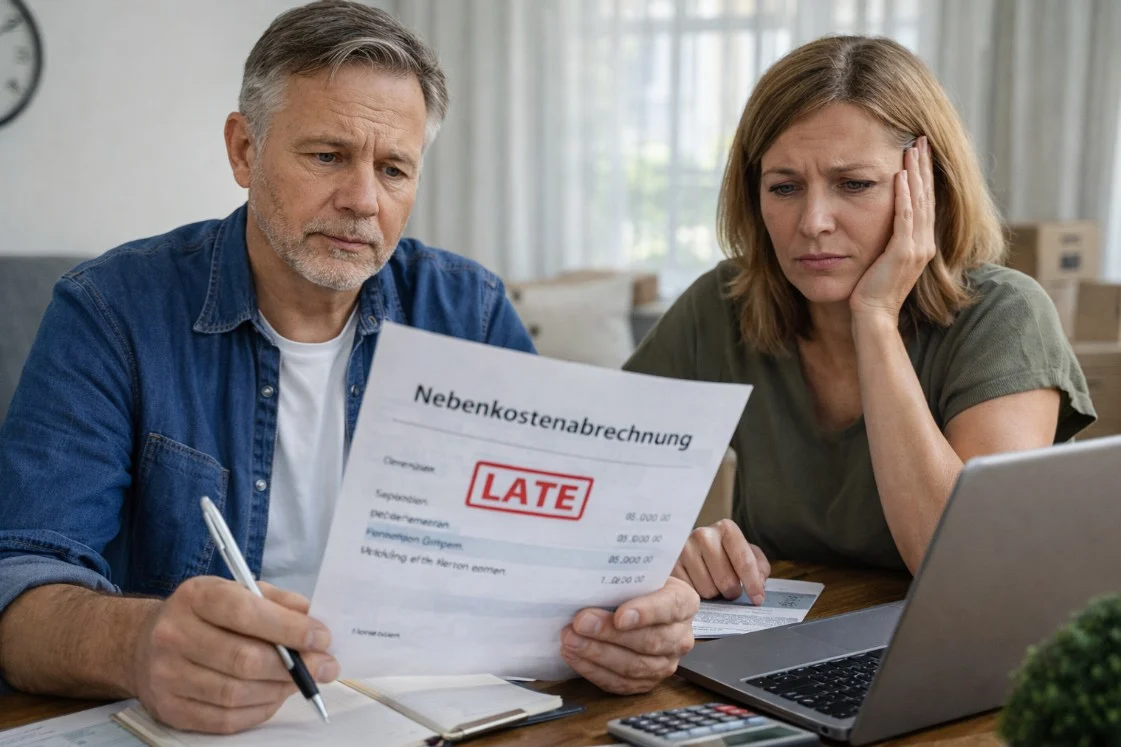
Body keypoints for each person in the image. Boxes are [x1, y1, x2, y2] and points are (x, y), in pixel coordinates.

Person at [0, 0, 698, 734]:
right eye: (328, 156)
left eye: (393, 168)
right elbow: (18, 583)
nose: (363, 200)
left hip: (443, 711)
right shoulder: (111, 312)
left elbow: (560, 560)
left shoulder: (467, 310)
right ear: (243, 149)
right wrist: (138, 645)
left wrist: (628, 626)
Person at [626, 36, 1096, 604]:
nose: (814, 221)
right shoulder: (722, 304)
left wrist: (874, 318)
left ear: (930, 190)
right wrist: (675, 546)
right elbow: (597, 481)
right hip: (773, 642)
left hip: (946, 651)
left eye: (854, 184)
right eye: (785, 187)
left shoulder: (1005, 316)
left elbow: (966, 569)